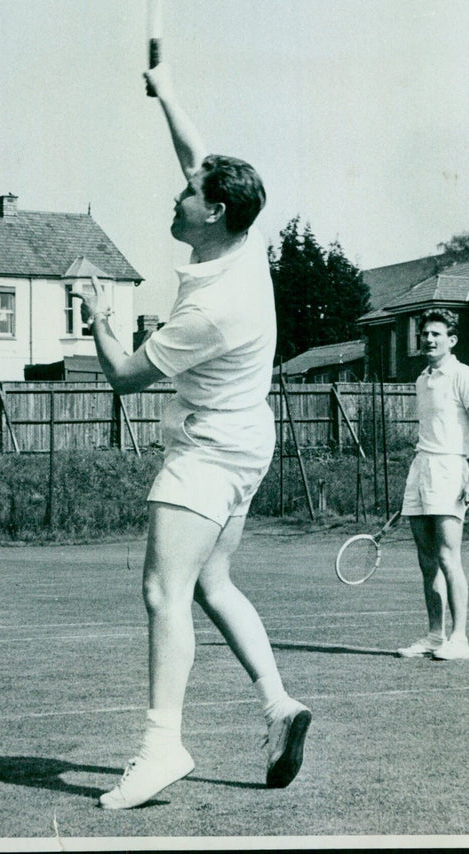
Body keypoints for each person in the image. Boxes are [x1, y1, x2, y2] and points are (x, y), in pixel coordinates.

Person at [73, 62, 311, 810]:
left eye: (187, 194)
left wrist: (97, 312)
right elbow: (194, 155)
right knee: (212, 582)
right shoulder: (240, 239)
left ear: (212, 213)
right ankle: (276, 703)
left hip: (209, 452)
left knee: (162, 589)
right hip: (247, 441)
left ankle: (161, 745)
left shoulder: (209, 310)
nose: (176, 194)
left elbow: (124, 377)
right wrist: (166, 91)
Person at [396, 308, 469, 662]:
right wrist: (418, 476)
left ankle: (460, 638)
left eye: (436, 334)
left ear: (451, 340)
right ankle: (436, 636)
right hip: (421, 467)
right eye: (425, 334)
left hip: (451, 468)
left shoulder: (464, 375)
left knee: (449, 556)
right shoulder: (422, 379)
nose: (429, 340)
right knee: (426, 560)